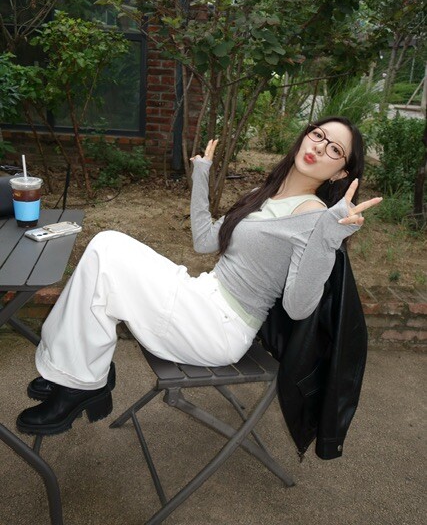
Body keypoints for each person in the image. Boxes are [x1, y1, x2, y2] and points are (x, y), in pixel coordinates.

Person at [16, 116, 382, 436]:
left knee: (107, 248)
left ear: (341, 173)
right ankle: (77, 373)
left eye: (335, 150)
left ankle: (78, 378)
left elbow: (299, 307)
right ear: (305, 136)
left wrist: (328, 238)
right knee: (104, 257)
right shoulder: (264, 193)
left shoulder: (315, 217)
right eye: (318, 135)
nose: (319, 148)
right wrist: (201, 175)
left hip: (221, 327)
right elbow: (205, 240)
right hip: (202, 296)